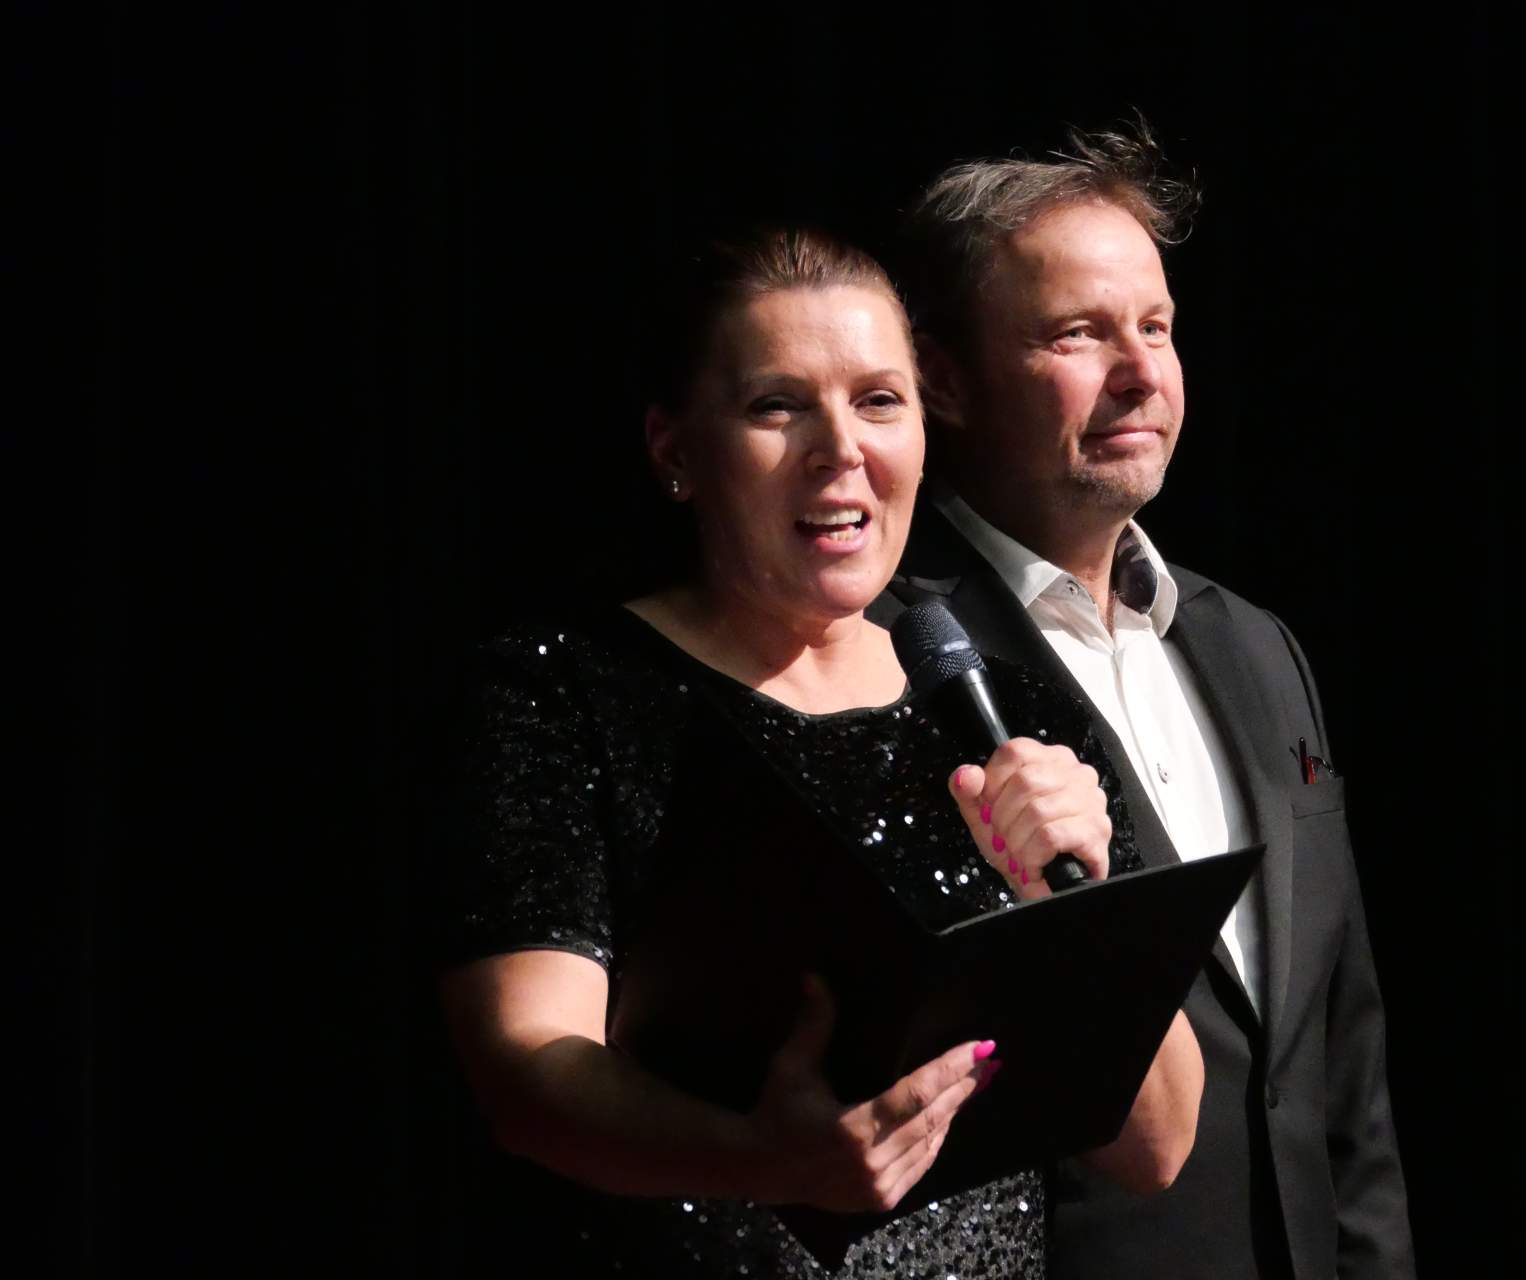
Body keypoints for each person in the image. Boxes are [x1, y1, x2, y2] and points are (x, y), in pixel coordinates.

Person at [436, 228, 1203, 1278]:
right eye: (777, 405)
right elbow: (525, 1074)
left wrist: (1082, 897)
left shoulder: (1011, 711)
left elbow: (1157, 1145)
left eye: (878, 400)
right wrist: (762, 1159)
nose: (840, 448)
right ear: (675, 451)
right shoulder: (564, 694)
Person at [881, 124, 1416, 1278]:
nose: (1141, 372)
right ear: (944, 378)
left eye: (1157, 327)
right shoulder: (886, 656)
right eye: (1078, 333)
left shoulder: (1256, 645)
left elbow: (1340, 1062)